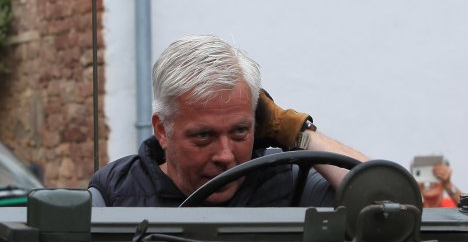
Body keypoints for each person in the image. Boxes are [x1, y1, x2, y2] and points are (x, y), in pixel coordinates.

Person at [89, 34, 367, 206]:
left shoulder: (284, 182)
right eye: (203, 136)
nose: (225, 156)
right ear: (163, 129)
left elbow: (383, 202)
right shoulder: (116, 194)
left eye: (239, 132)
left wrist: (296, 132)